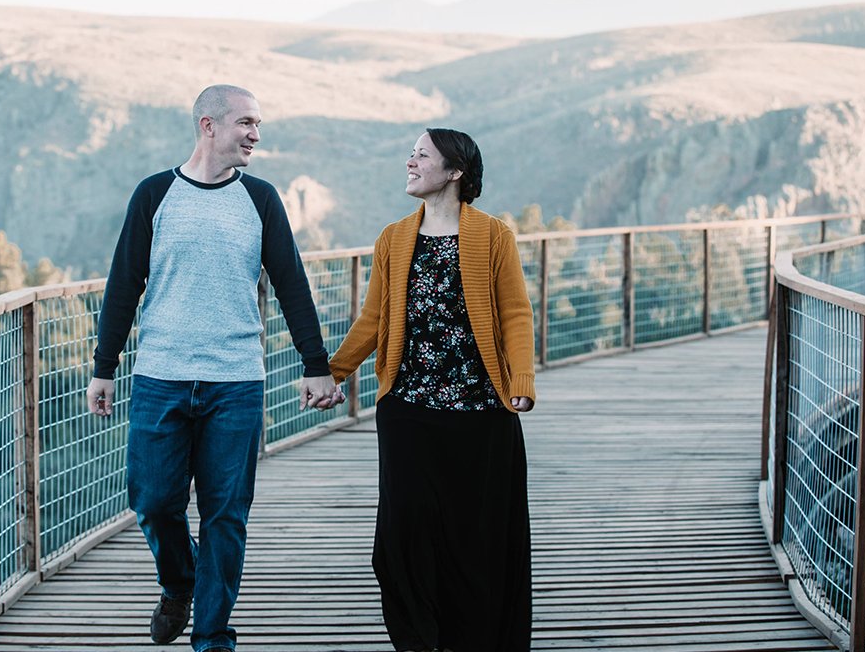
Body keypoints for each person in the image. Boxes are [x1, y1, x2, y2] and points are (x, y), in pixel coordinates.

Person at [86, 84, 342, 652]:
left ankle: (213, 636)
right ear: (209, 125)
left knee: (226, 514)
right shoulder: (154, 194)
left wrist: (316, 365)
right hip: (160, 377)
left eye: (258, 124)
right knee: (153, 502)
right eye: (246, 122)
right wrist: (105, 367)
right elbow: (124, 284)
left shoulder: (262, 199)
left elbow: (292, 285)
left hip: (236, 382)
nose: (255, 134)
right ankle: (180, 582)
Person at [328, 128, 536, 652]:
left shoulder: (493, 236)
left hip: (481, 413)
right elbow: (373, 318)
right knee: (400, 539)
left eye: (421, 155)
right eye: (411, 153)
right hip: (407, 413)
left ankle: (474, 640)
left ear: (455, 171)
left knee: (477, 540)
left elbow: (514, 312)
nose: (410, 161)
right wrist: (334, 371)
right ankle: (419, 640)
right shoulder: (393, 238)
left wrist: (522, 382)